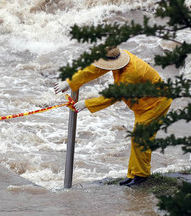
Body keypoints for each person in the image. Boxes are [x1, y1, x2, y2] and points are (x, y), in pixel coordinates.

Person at [54, 47, 171, 187]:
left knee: (140, 138)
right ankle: (133, 174)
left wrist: (86, 104)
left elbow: (113, 97)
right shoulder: (116, 56)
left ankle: (141, 175)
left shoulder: (131, 72)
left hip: (156, 102)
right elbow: (94, 69)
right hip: (142, 102)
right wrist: (69, 82)